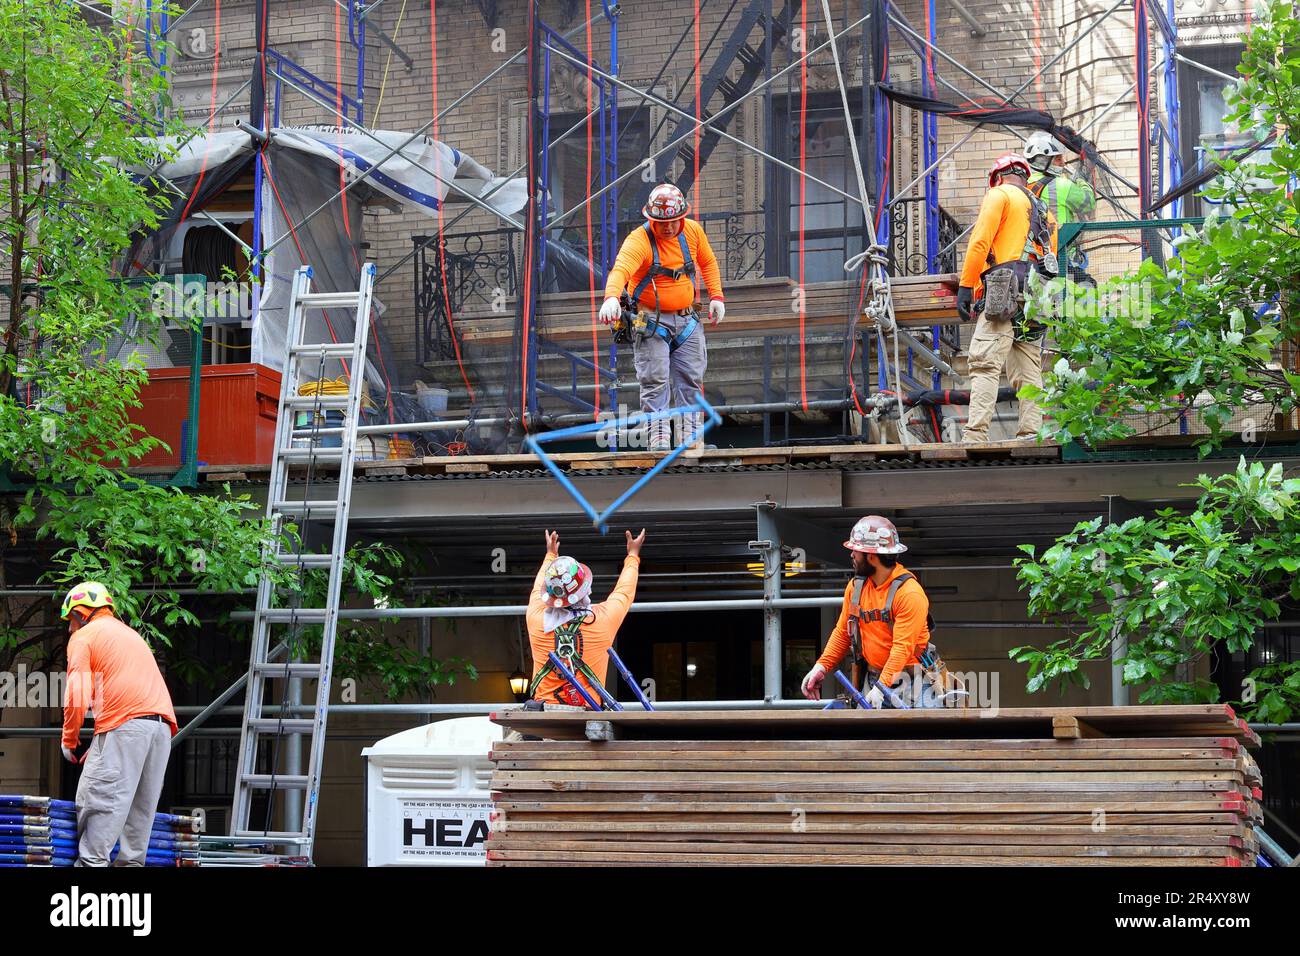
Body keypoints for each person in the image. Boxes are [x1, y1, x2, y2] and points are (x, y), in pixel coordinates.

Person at [599, 183, 725, 456]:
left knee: (690, 380)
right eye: (661, 223)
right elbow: (621, 269)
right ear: (651, 219)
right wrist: (611, 297)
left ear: (681, 217)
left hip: (687, 321)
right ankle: (658, 445)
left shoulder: (692, 232)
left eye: (672, 221)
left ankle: (691, 442)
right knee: (654, 381)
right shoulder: (639, 240)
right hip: (651, 322)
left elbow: (708, 262)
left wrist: (717, 295)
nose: (667, 227)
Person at [59, 582, 177, 867]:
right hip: (160, 730)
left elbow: (77, 693)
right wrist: (104, 738)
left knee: (98, 802)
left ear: (80, 612)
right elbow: (127, 691)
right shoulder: (130, 635)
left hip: (126, 726)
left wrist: (69, 740)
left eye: (70, 622)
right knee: (138, 822)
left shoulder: (85, 636)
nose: (69, 629)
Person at [955, 153, 1057, 444]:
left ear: (998, 177)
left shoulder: (999, 195)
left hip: (1005, 290)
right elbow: (1052, 259)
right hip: (1037, 295)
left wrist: (967, 286)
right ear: (1025, 177)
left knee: (984, 362)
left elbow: (980, 241)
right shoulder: (1045, 213)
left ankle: (975, 435)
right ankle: (1030, 433)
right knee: (1028, 367)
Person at [799, 516, 950, 709]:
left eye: (856, 550)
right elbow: (843, 632)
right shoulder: (856, 589)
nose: (851, 555)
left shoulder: (909, 593)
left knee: (921, 737)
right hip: (875, 680)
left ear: (871, 556)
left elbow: (902, 649)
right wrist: (821, 667)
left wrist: (881, 688)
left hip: (915, 683)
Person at [524, 528, 644, 707]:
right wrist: (633, 555)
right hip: (587, 718)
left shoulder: (536, 618)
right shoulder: (602, 619)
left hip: (543, 717)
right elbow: (624, 591)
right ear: (585, 589)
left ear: (550, 595)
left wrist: (550, 555)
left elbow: (538, 586)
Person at [1024, 131, 1097, 285]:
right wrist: (1081, 179)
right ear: (1044, 160)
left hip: (1032, 261)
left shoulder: (1024, 184)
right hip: (1061, 259)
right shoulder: (1061, 185)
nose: (1063, 163)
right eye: (1058, 159)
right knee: (1087, 290)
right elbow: (1088, 202)